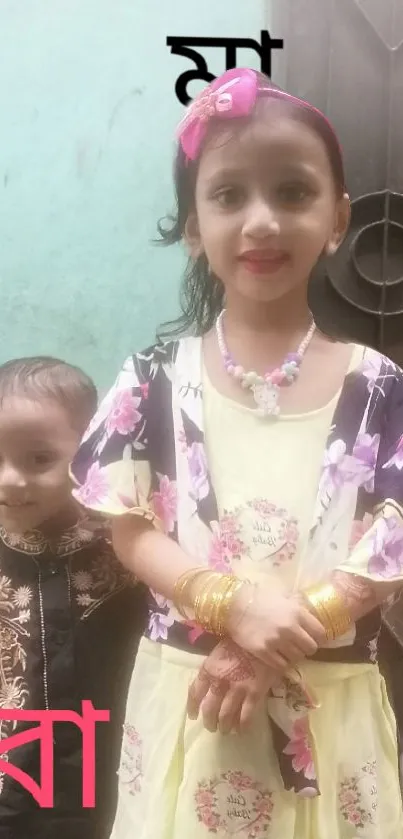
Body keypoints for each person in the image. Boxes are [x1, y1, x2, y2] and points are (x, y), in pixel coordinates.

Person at [70, 68, 403, 838]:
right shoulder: (151, 381)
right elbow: (127, 524)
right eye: (227, 196)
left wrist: (280, 634)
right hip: (194, 706)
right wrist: (230, 604)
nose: (260, 221)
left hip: (332, 701)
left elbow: (393, 531)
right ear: (192, 225)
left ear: (335, 217)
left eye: (291, 193)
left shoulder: (380, 386)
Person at [0, 357, 146, 839]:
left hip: (112, 788)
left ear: (89, 449)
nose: (10, 480)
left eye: (38, 459)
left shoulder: (129, 549)